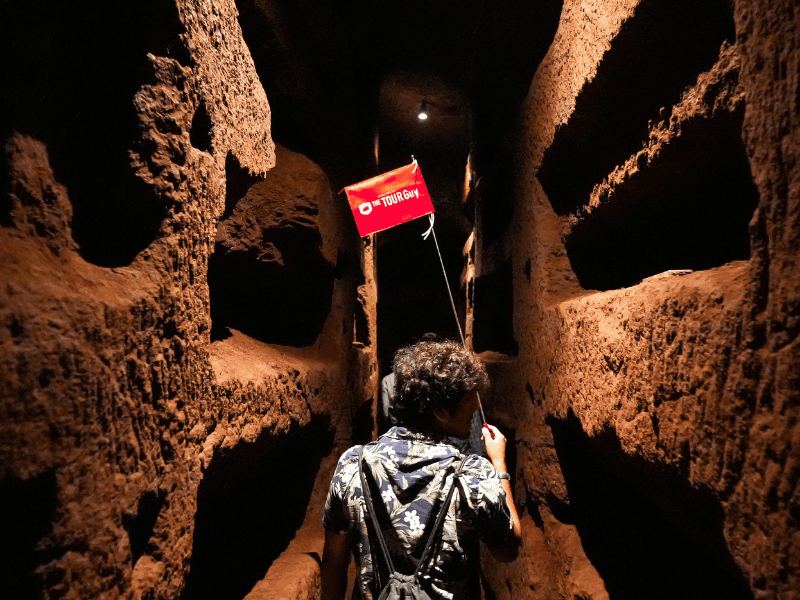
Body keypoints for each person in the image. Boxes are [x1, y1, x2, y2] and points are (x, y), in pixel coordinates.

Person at [321, 339, 522, 600]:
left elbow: (334, 563)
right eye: (467, 400)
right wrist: (499, 466)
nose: (475, 407)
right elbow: (509, 548)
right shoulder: (472, 475)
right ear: (439, 410)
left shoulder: (354, 464)